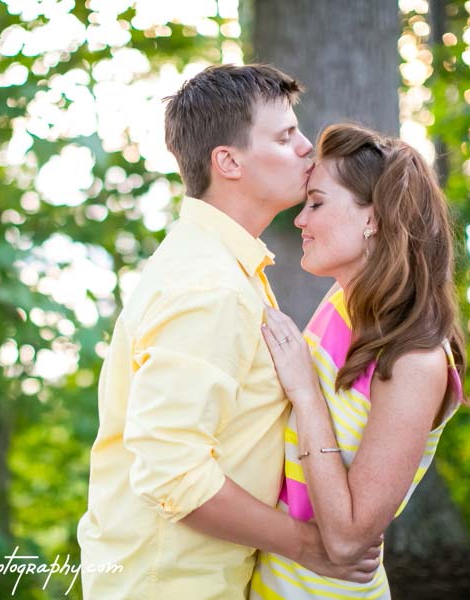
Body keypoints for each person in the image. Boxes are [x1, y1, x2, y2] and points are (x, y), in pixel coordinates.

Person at [77, 66, 381, 599]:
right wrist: (309, 546)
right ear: (229, 161)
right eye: (285, 136)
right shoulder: (208, 287)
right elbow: (171, 473)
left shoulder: (224, 267)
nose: (307, 147)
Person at [251, 123, 468, 599]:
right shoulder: (343, 303)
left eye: (317, 203)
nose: (300, 220)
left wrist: (306, 396)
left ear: (375, 217)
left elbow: (349, 539)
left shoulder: (416, 359)